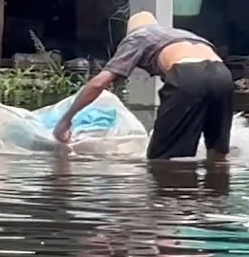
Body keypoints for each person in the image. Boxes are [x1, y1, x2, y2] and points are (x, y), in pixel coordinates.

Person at [52, 11, 233, 161]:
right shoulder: (184, 35)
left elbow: (99, 82)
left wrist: (65, 120)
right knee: (218, 152)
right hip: (223, 75)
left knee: (161, 160)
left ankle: (170, 202)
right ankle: (215, 198)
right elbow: (205, 75)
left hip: (187, 75)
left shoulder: (138, 37)